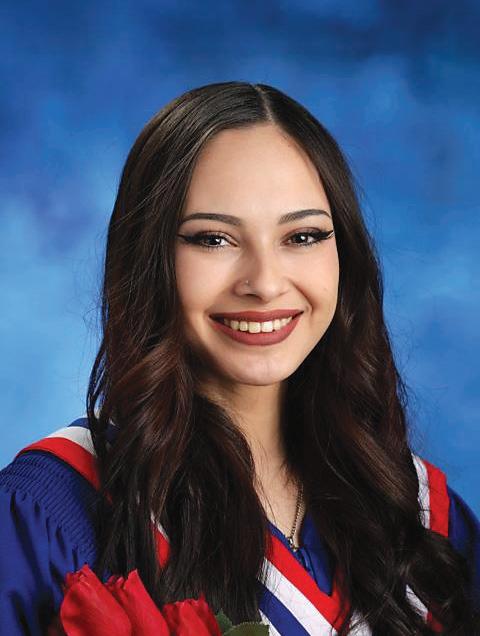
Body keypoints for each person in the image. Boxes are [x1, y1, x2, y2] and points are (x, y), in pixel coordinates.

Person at [0, 81, 478, 635]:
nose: (265, 283)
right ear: (148, 258)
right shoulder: (49, 512)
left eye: (303, 236)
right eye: (213, 239)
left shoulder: (416, 509)